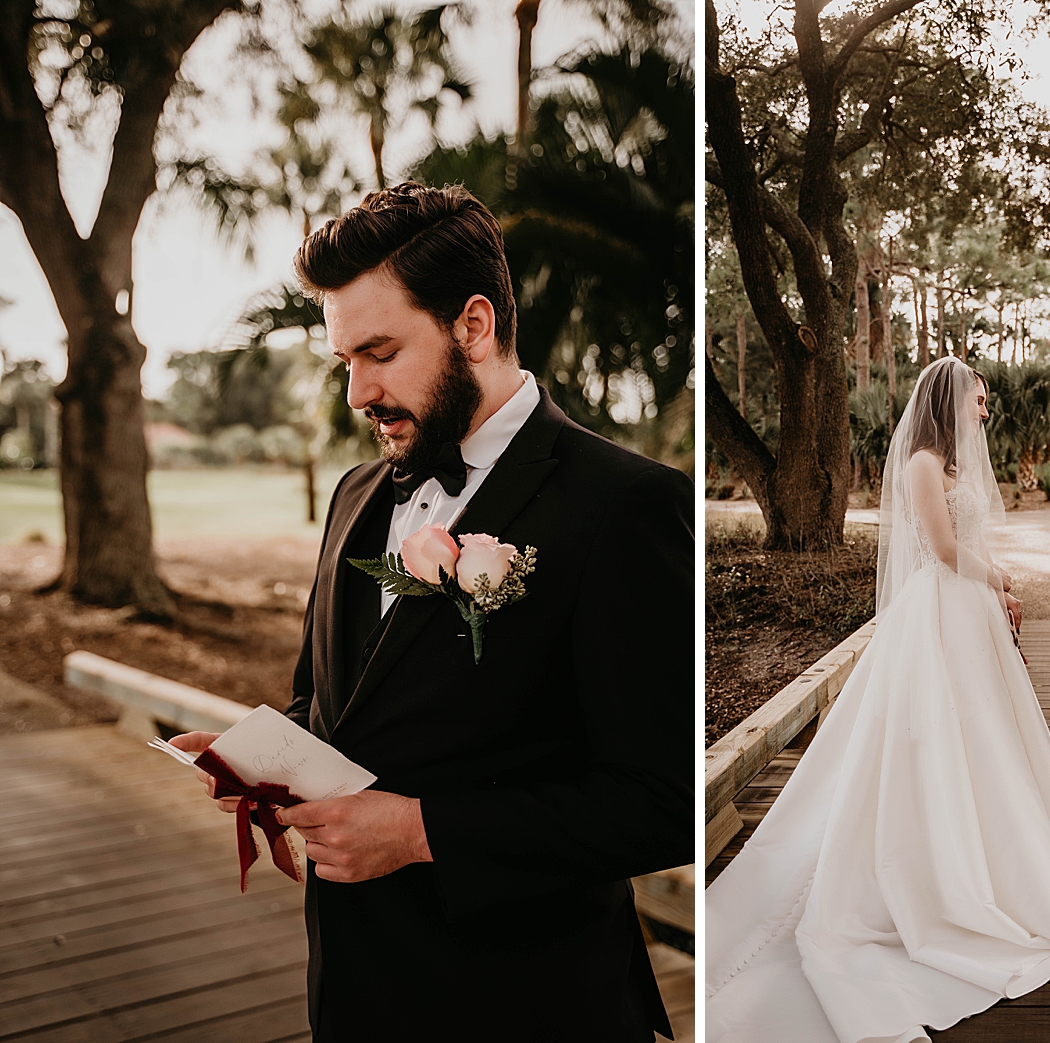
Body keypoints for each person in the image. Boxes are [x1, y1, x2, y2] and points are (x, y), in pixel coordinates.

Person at [171, 183, 694, 1041]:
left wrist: (423, 831)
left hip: (531, 1004)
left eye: (378, 353)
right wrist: (259, 761)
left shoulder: (624, 505)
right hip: (354, 994)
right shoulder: (355, 494)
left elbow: (663, 797)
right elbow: (334, 705)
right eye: (345, 360)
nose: (355, 392)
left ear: (474, 325)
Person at [705, 357, 1050, 1042]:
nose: (985, 411)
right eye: (978, 400)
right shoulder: (923, 463)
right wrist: (1000, 574)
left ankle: (1003, 871)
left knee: (988, 743)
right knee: (940, 739)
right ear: (950, 401)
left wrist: (997, 591)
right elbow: (946, 549)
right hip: (940, 613)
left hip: (971, 612)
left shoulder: (954, 469)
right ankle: (938, 879)